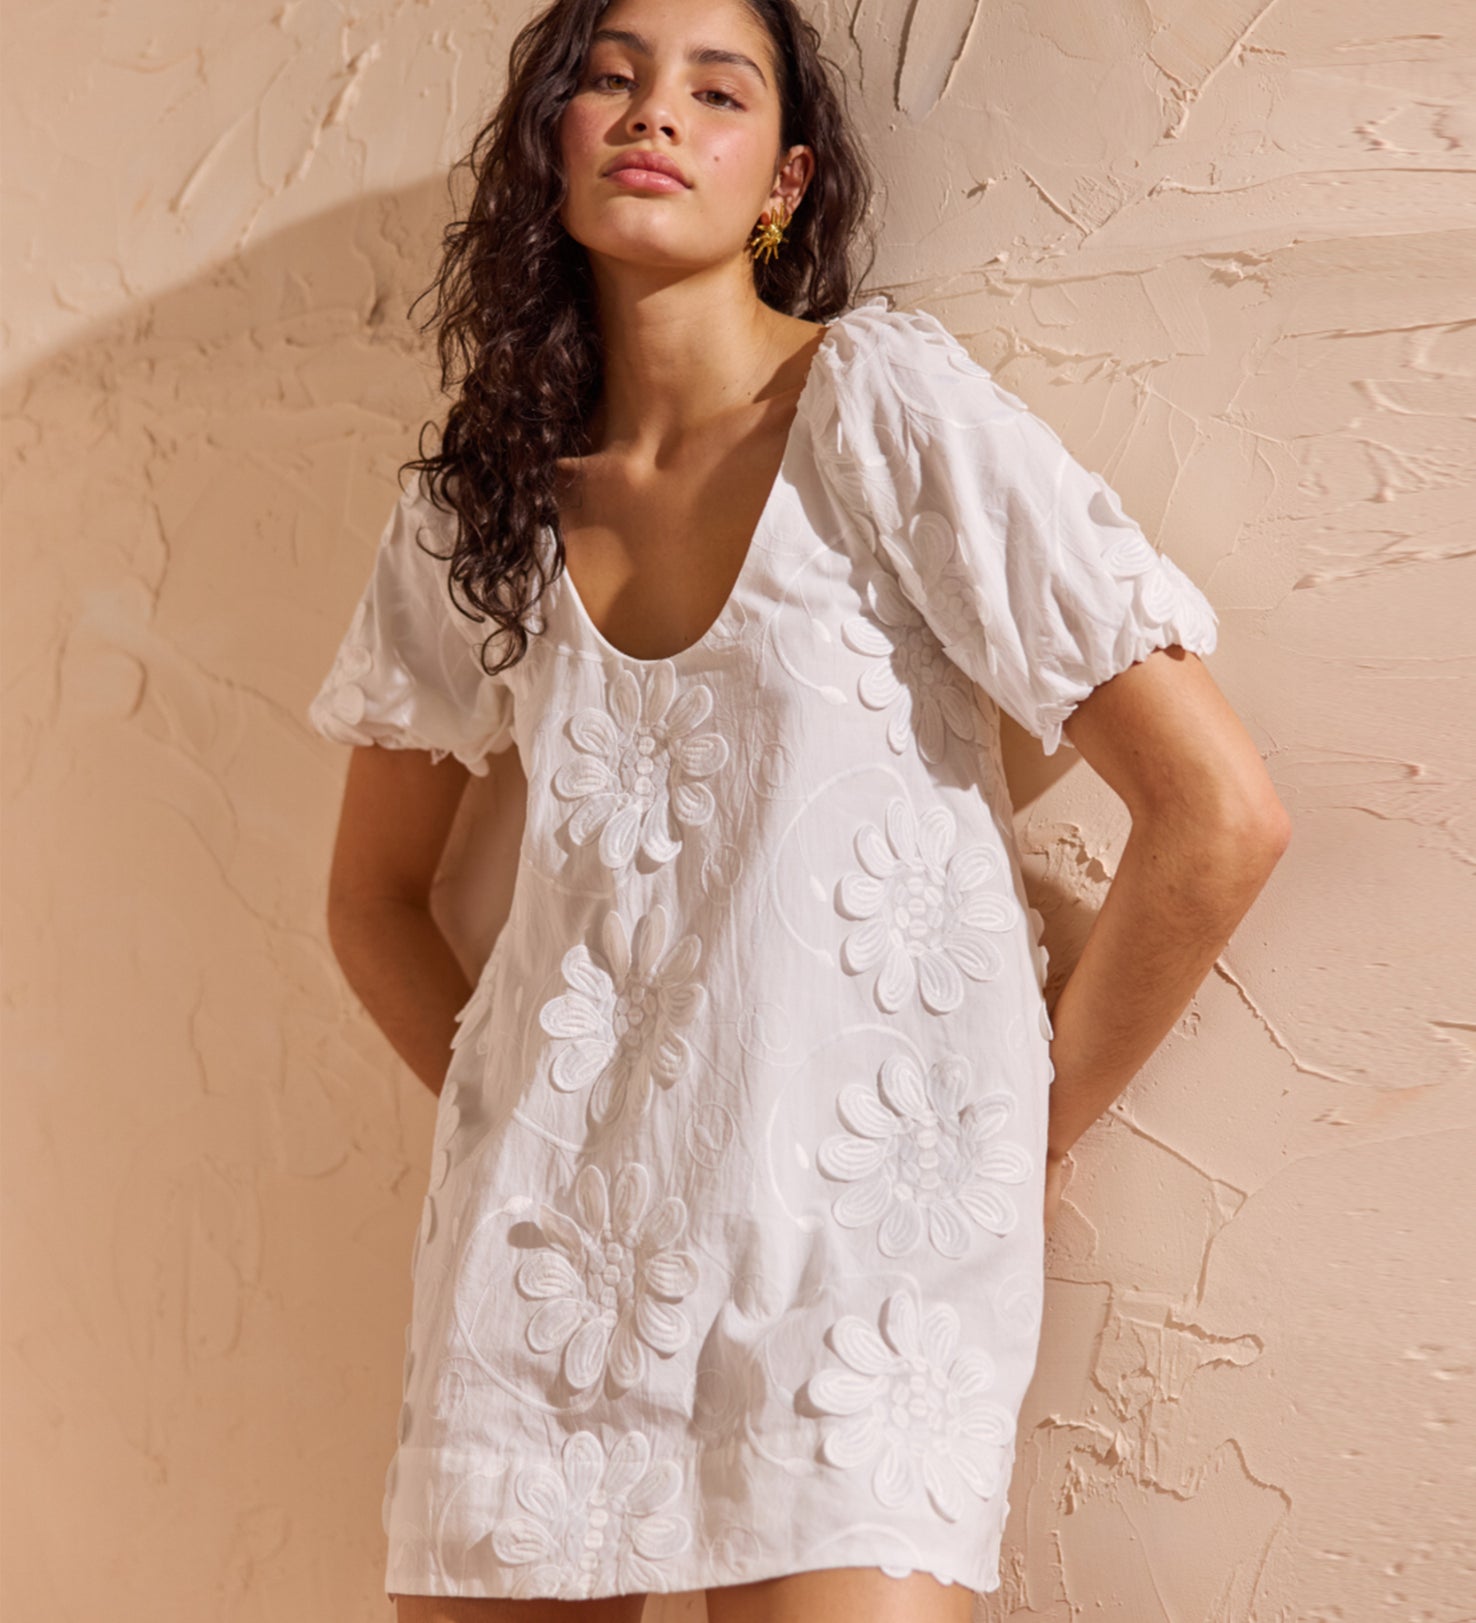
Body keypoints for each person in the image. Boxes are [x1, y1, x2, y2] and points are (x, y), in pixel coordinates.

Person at [306, 0, 1292, 1618]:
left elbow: (1218, 814)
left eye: (717, 87)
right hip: (550, 1268)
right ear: (550, 141)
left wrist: (1003, 1146)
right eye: (608, 78)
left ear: (785, 178)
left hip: (860, 1273)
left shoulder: (884, 411)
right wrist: (521, 1135)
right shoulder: (470, 510)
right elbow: (372, 904)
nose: (654, 112)